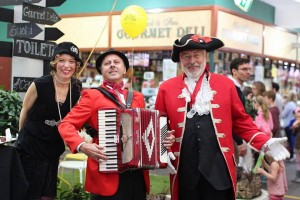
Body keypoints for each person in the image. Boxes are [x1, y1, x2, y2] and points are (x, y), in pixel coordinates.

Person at [154, 33, 290, 200]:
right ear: (180, 60)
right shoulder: (166, 88)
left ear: (205, 56)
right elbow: (159, 125)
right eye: (186, 56)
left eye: (197, 55)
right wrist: (162, 151)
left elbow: (242, 121)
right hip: (184, 172)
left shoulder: (226, 85)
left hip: (219, 171)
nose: (192, 61)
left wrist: (265, 143)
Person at [58, 50, 175, 200]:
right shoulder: (92, 96)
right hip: (107, 172)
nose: (112, 66)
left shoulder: (137, 97)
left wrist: (162, 139)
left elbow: (146, 130)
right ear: (101, 71)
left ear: (125, 69)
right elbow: (66, 124)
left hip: (137, 175)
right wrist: (82, 146)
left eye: (116, 62)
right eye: (107, 63)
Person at [16, 42, 83, 200]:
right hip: (30, 147)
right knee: (28, 193)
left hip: (53, 147)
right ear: (54, 62)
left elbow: (74, 114)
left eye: (72, 61)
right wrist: (21, 137)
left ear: (77, 65)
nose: (66, 65)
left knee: (48, 195)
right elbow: (25, 110)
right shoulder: (39, 84)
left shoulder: (76, 86)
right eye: (62, 60)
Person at [282, 92, 298, 161]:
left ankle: (291, 154)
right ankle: (293, 154)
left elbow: (283, 114)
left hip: (288, 124)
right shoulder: (295, 104)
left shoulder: (288, 105)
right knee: (293, 140)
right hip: (294, 122)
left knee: (290, 140)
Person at [291, 107, 300, 182]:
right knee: (298, 160)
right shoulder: (296, 122)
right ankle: (298, 176)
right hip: (297, 144)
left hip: (298, 144)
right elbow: (293, 133)